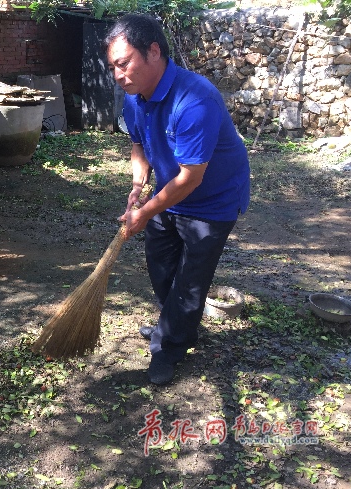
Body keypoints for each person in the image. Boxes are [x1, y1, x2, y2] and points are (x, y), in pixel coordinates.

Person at [105, 14, 250, 385]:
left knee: (190, 281)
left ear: (153, 51)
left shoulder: (195, 98)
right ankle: (175, 326)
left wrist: (145, 212)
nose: (119, 75)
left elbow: (191, 178)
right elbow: (138, 143)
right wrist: (139, 184)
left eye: (124, 64)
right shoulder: (134, 99)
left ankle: (169, 346)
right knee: (161, 266)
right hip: (169, 195)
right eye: (113, 68)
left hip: (212, 203)